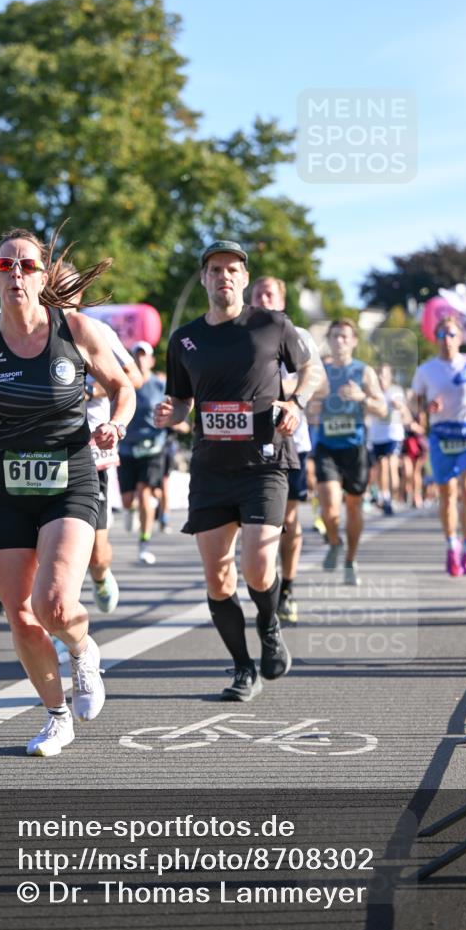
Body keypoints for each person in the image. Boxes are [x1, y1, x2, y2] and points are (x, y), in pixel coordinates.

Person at [0, 228, 135, 757]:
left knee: (53, 604)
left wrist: (115, 423)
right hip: (4, 482)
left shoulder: (75, 330)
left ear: (43, 276)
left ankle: (83, 648)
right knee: (20, 614)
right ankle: (56, 716)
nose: (16, 274)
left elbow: (123, 386)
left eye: (26, 265)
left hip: (68, 477)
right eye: (6, 266)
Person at [155, 240, 319, 702]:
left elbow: (311, 369)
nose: (223, 276)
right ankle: (242, 667)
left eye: (232, 269)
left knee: (258, 565)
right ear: (205, 279)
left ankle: (269, 628)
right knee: (217, 578)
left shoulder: (272, 324)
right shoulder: (184, 339)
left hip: (264, 465)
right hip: (210, 469)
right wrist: (171, 413)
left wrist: (297, 402)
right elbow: (183, 402)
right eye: (215, 269)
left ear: (244, 279)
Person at [249, 275, 328, 625]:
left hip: (291, 439)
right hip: (248, 440)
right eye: (257, 294)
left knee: (289, 520)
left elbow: (317, 375)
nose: (263, 299)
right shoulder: (239, 334)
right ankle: (262, 583)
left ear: (281, 302)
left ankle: (288, 588)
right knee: (251, 521)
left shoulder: (297, 335)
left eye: (270, 294)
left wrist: (292, 396)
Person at [63, 268, 142, 612]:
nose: (58, 293)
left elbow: (133, 377)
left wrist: (89, 390)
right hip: (44, 450)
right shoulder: (27, 332)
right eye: (52, 286)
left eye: (67, 288)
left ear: (79, 293)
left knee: (95, 551)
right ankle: (57, 606)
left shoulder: (96, 331)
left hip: (91, 445)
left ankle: (99, 574)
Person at [410, 314, 466, 576]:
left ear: (460, 338)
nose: (447, 340)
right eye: (442, 335)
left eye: (452, 334)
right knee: (447, 494)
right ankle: (451, 546)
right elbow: (415, 403)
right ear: (436, 338)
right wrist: (426, 408)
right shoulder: (426, 369)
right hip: (442, 435)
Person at [315, 319, 387, 586]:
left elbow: (383, 409)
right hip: (326, 446)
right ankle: (334, 541)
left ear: (354, 341)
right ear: (329, 340)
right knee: (330, 509)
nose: (340, 341)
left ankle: (350, 559)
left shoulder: (363, 372)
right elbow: (306, 403)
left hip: (354, 447)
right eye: (335, 336)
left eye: (345, 336)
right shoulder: (319, 371)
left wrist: (362, 398)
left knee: (354, 507)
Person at [118, 341, 167, 565]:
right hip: (127, 448)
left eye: (144, 356)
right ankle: (130, 510)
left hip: (153, 447)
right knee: (128, 500)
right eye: (136, 355)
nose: (139, 359)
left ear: (151, 360)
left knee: (144, 492)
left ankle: (144, 543)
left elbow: (175, 406)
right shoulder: (124, 384)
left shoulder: (159, 385)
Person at [367, 363, 410, 516]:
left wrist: (399, 406)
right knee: (381, 468)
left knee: (391, 465)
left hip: (393, 434)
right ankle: (384, 496)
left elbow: (402, 407)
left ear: (390, 377)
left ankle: (392, 497)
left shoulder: (395, 391)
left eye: (384, 375)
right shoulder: (372, 392)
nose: (381, 378)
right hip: (376, 435)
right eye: (378, 375)